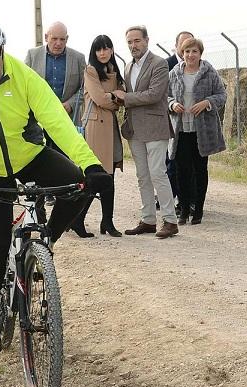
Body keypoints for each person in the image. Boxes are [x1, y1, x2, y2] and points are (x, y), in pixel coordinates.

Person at [0, 18, 112, 353]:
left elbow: (55, 119)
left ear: (2, 52)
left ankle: (43, 244)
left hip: (28, 155)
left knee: (81, 184)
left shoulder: (20, 74)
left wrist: (89, 162)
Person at [113, 25, 178, 238]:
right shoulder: (128, 67)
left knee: (158, 173)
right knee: (142, 176)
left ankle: (170, 220)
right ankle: (148, 219)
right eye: (130, 42)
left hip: (155, 127)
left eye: (137, 41)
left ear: (147, 40)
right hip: (134, 129)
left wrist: (124, 97)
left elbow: (153, 94)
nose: (133, 45)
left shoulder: (159, 64)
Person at [167, 37, 227, 225]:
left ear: (200, 53)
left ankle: (198, 210)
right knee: (181, 170)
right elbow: (165, 96)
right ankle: (184, 209)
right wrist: (172, 104)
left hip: (202, 131)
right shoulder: (175, 73)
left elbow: (222, 95)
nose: (190, 55)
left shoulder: (209, 72)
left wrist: (206, 103)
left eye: (194, 51)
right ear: (182, 53)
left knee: (200, 170)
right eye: (187, 52)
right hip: (180, 130)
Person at [71, 35, 126, 238]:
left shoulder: (114, 70)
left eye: (106, 48)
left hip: (109, 127)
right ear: (94, 52)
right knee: (95, 177)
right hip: (96, 126)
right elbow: (100, 99)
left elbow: (124, 93)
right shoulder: (90, 70)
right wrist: (115, 97)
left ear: (111, 50)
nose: (102, 53)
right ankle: (77, 219)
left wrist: (115, 97)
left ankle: (107, 221)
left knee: (109, 176)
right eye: (98, 49)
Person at [24, 21, 87, 154]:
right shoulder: (32, 55)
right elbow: (23, 86)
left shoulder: (78, 58)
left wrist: (70, 104)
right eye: (54, 39)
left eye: (62, 39)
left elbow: (84, 88)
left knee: (65, 164)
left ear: (67, 39)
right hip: (38, 121)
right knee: (40, 162)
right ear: (46, 37)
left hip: (66, 121)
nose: (58, 43)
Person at [165, 31, 194, 216]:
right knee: (172, 162)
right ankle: (172, 198)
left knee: (191, 164)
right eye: (183, 45)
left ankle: (190, 200)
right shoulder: (167, 65)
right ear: (176, 46)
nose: (187, 49)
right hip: (172, 122)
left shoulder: (200, 66)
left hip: (194, 124)